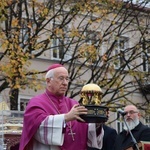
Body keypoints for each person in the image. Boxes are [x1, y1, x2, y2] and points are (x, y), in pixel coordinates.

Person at [19, 64, 104, 150]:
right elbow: (37, 129)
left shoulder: (74, 104)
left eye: (67, 79)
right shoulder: (36, 102)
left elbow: (88, 133)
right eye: (61, 78)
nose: (65, 83)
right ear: (48, 81)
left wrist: (97, 123)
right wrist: (66, 117)